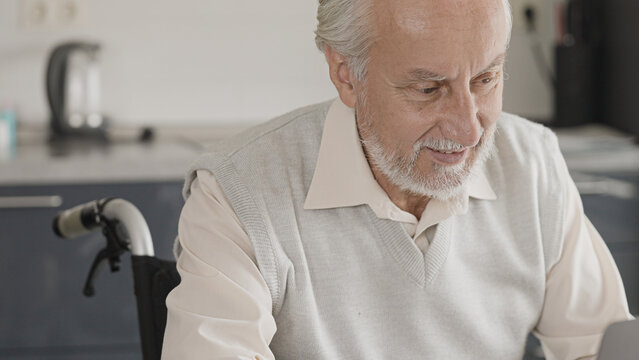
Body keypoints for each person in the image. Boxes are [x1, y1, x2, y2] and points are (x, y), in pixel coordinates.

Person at [161, 0, 633, 358]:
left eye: (485, 80)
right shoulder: (238, 191)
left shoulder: (532, 164)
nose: (469, 129)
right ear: (346, 74)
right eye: (428, 89)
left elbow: (597, 345)